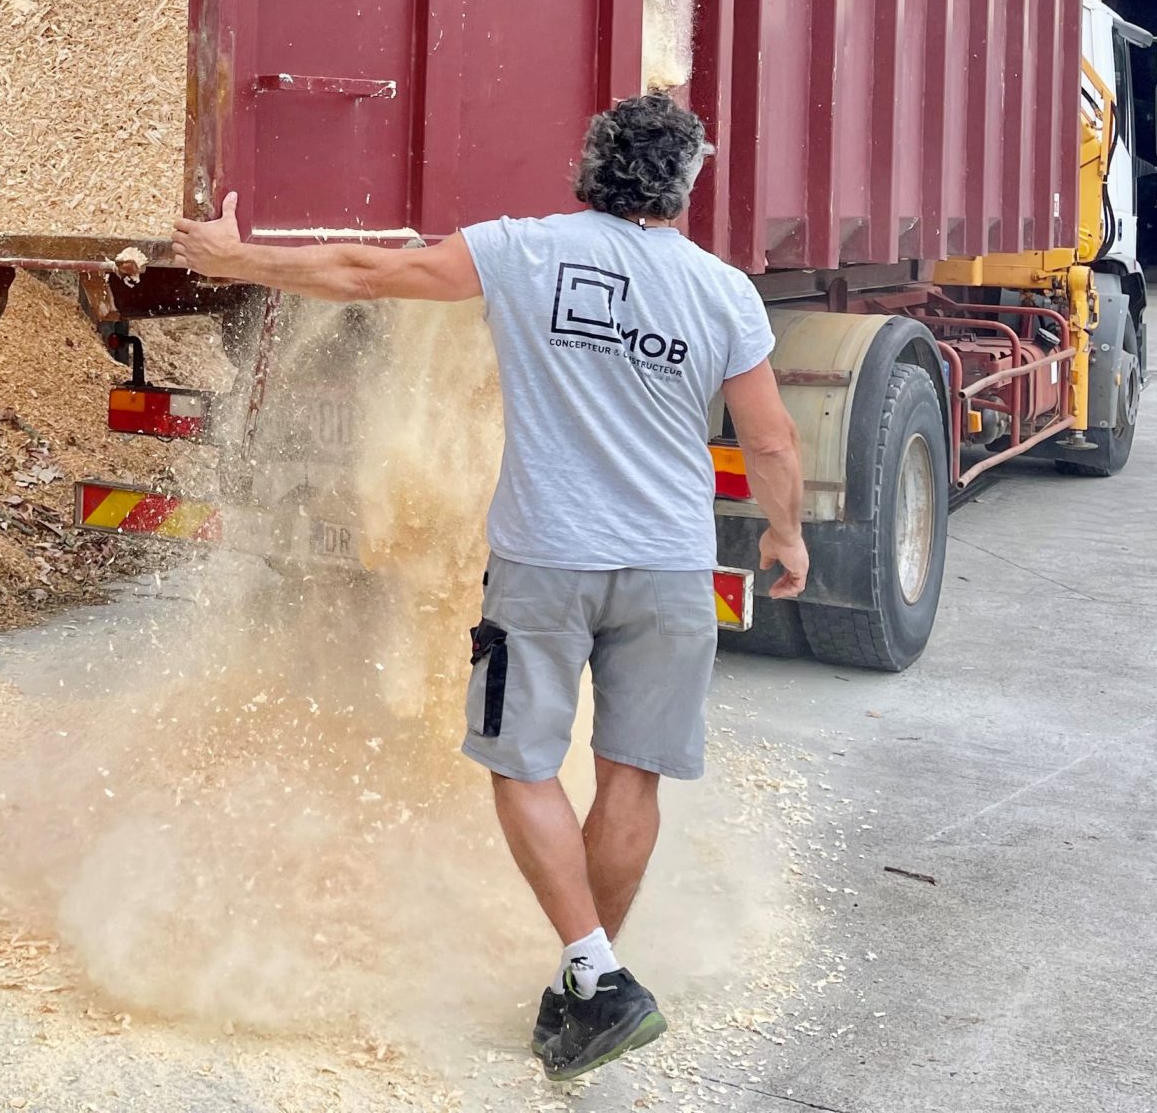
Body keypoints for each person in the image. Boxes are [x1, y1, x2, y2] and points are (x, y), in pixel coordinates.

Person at [169, 91, 809, 1082]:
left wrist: (232, 256)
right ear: (684, 188)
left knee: (521, 764)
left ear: (587, 169)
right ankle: (584, 985)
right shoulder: (724, 291)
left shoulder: (524, 250)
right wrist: (784, 531)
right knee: (632, 770)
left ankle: (594, 968)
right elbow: (768, 437)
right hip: (672, 567)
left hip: (545, 564)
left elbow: (363, 273)